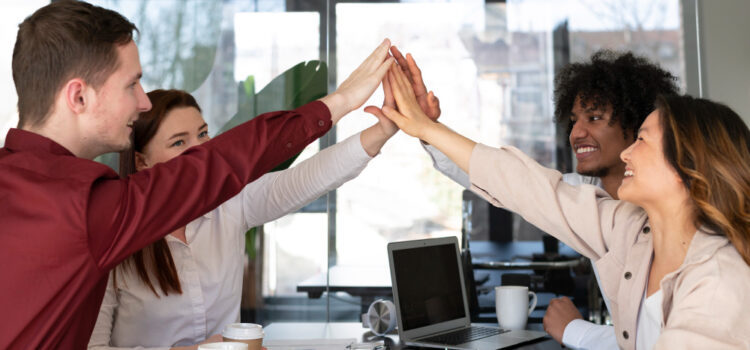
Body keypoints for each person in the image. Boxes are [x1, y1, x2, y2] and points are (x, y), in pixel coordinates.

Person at [0, 0, 394, 347]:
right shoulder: (91, 211)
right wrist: (339, 102)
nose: (141, 103)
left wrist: (382, 129)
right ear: (78, 96)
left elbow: (289, 180)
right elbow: (220, 164)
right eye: (132, 84)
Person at [382, 62, 750, 349]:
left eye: (641, 138)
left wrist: (576, 331)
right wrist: (429, 130)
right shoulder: (630, 227)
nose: (627, 153)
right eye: (574, 119)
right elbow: (521, 185)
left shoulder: (718, 284)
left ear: (684, 166)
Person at [86, 88, 398, 349]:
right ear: (141, 161)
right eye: (179, 143)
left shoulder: (231, 202)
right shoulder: (110, 235)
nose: (202, 153)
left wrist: (383, 130)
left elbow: (310, 178)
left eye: (204, 135)